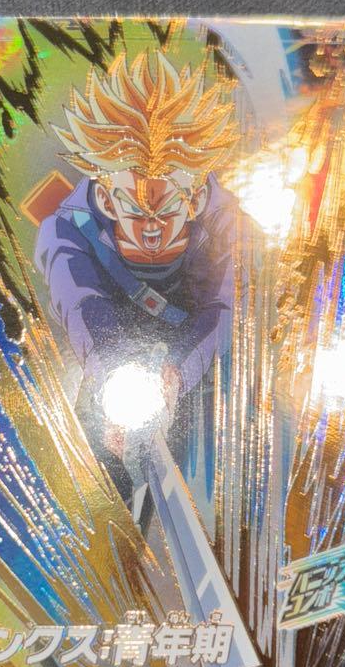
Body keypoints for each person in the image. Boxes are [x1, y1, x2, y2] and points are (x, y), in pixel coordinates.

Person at [34, 50, 244, 528]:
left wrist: (177, 374)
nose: (151, 228)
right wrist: (112, 374)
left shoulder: (226, 223)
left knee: (194, 496)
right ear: (108, 199)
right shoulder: (67, 230)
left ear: (194, 199)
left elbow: (221, 309)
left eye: (166, 211)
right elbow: (82, 304)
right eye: (135, 210)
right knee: (98, 490)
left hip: (194, 365)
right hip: (109, 364)